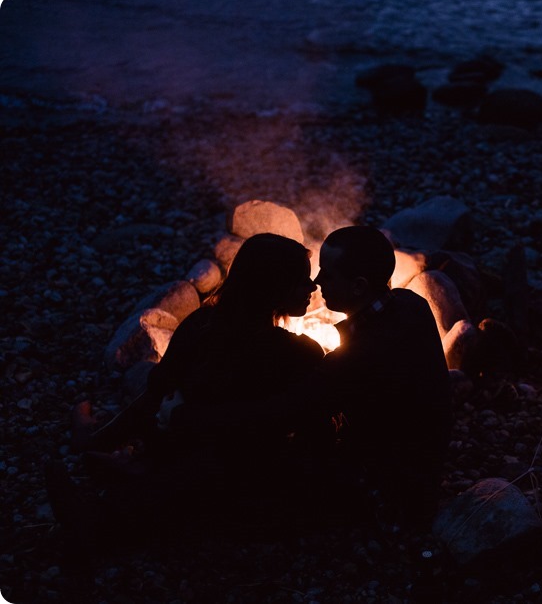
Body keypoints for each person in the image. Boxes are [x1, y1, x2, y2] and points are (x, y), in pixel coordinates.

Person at [50, 233, 327, 549]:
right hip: (211, 450)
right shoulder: (292, 352)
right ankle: (119, 479)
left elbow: (161, 390)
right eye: (302, 281)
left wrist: (170, 418)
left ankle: (112, 488)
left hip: (220, 454)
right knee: (210, 460)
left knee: (211, 462)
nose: (313, 287)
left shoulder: (203, 322)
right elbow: (161, 388)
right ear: (274, 287)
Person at [313, 225, 452, 530]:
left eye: (327, 273)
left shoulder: (360, 354)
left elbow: (312, 401)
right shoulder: (412, 305)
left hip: (394, 481)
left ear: (359, 286)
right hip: (429, 457)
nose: (317, 281)